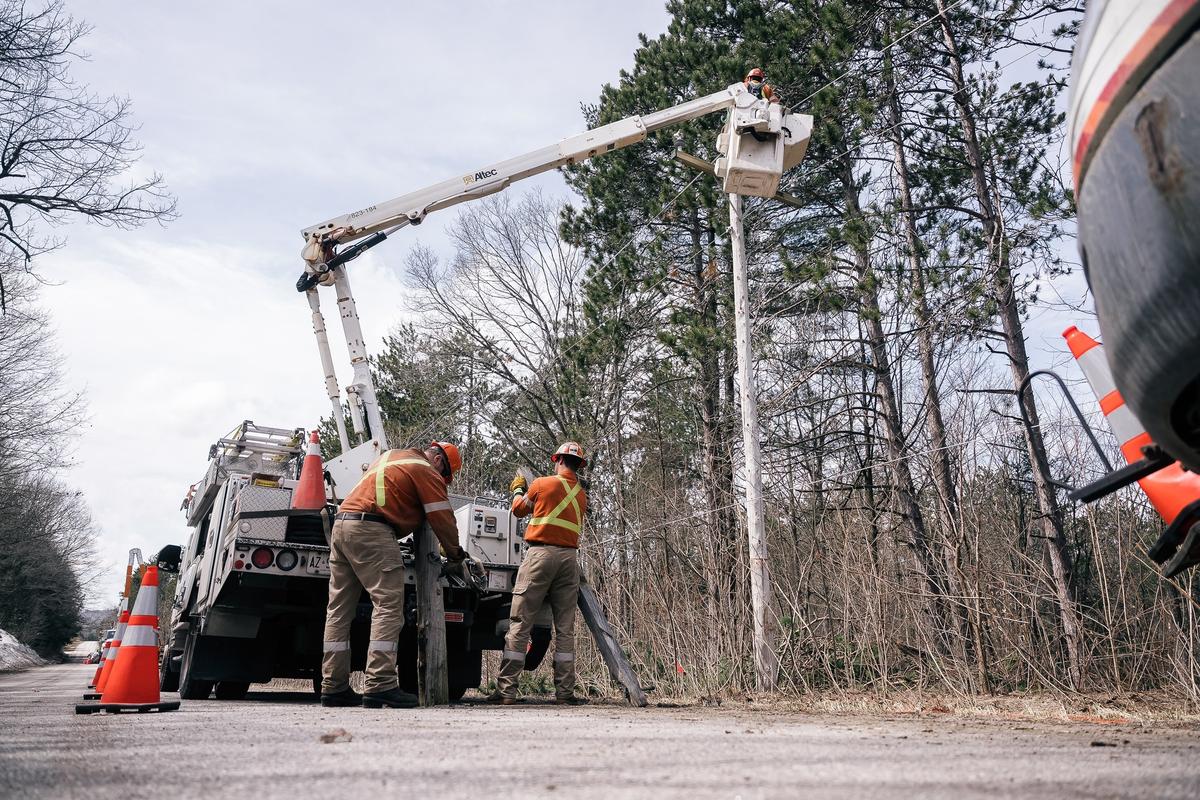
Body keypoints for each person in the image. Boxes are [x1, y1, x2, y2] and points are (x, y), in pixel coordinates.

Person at [320, 440, 467, 709]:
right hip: (372, 530)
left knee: (338, 611)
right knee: (388, 606)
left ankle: (333, 686)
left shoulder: (389, 458)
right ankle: (380, 684)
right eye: (445, 477)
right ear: (439, 462)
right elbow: (442, 517)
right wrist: (456, 555)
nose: (442, 481)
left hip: (342, 526)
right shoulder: (425, 469)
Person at [489, 442, 590, 705]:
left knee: (520, 622)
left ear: (557, 460)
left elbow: (518, 509)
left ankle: (507, 691)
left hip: (540, 556)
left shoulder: (542, 484)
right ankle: (565, 693)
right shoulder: (581, 495)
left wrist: (518, 489)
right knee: (565, 628)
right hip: (569, 560)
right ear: (579, 466)